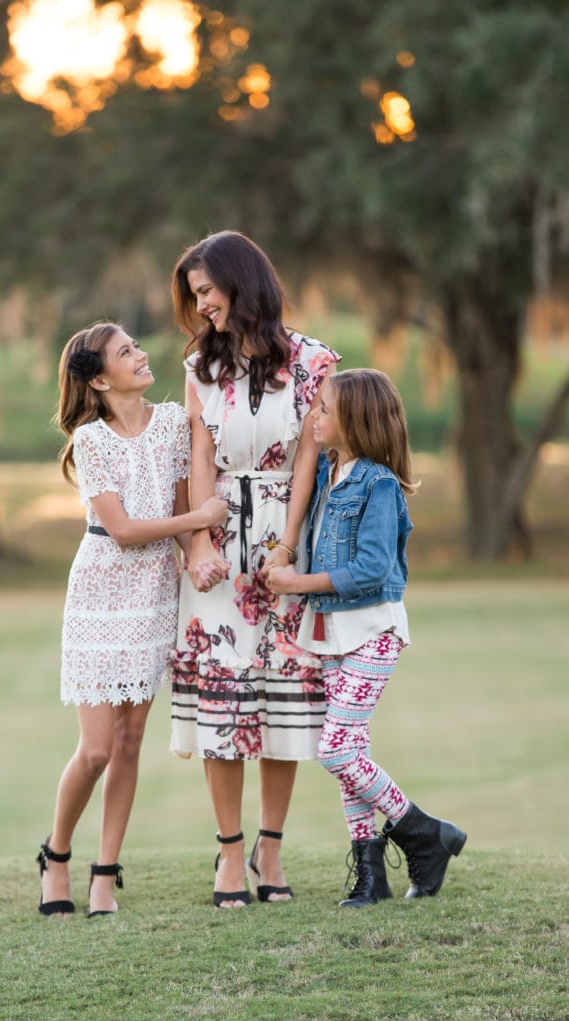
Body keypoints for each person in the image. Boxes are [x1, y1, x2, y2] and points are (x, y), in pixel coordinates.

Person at [169, 230, 340, 908]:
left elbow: (307, 461)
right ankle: (230, 857)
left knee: (282, 703)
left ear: (241, 282)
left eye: (207, 291)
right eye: (195, 296)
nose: (202, 305)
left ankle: (272, 855)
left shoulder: (312, 362)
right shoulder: (200, 367)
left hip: (284, 539)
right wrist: (200, 547)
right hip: (219, 542)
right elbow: (198, 457)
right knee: (223, 701)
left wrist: (288, 545)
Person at [37, 321, 227, 917]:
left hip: (153, 594)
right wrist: (200, 518)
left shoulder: (171, 423)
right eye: (126, 352)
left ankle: (104, 874)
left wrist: (198, 542)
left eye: (136, 347)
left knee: (130, 742)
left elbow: (175, 504)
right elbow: (120, 532)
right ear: (100, 378)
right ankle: (57, 854)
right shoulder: (91, 441)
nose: (142, 356)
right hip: (100, 592)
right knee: (95, 748)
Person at [266, 368, 466, 908]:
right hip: (331, 632)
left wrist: (297, 583)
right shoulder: (330, 475)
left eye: (325, 410)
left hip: (373, 630)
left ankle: (424, 833)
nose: (316, 417)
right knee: (352, 749)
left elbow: (373, 568)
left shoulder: (376, 484)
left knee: (335, 749)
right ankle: (370, 876)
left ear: (354, 421)